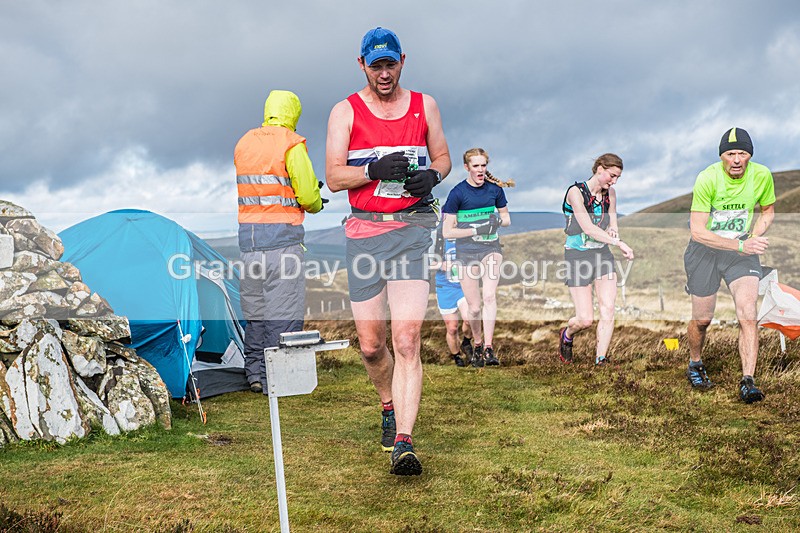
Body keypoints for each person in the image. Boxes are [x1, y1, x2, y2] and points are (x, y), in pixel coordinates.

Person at [325, 27, 451, 475]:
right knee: (373, 345)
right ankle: (386, 404)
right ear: (362, 65)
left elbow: (443, 157)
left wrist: (433, 177)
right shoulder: (345, 111)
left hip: (412, 232)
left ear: (402, 62)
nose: (384, 72)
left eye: (390, 64)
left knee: (407, 339)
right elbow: (334, 177)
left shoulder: (424, 105)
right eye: (375, 65)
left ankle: (404, 439)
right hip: (364, 235)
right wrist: (372, 169)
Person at [234, 90, 325, 394]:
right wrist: (315, 203)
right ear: (293, 114)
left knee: (256, 314)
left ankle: (255, 373)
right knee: (283, 314)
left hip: (248, 247)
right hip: (282, 245)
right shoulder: (291, 143)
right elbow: (309, 197)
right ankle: (279, 379)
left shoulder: (244, 142)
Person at [684, 127, 775, 403]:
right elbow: (697, 230)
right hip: (704, 252)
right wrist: (739, 245)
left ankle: (748, 381)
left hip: (741, 253)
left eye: (742, 153)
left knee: (748, 312)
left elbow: (767, 211)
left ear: (750, 156)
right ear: (722, 156)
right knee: (702, 320)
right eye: (730, 153)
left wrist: (753, 236)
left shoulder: (762, 176)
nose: (736, 159)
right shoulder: (707, 178)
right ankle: (695, 363)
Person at [558, 153, 634, 366]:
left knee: (608, 308)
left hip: (602, 255)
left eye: (618, 177)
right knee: (585, 319)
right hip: (577, 257)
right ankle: (567, 334)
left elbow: (613, 223)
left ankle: (601, 359)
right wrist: (619, 244)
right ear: (599, 168)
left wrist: (614, 233)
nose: (614, 181)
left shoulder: (611, 194)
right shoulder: (575, 192)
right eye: (611, 175)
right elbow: (588, 228)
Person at [442, 148, 512, 367]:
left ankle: (489, 348)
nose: (481, 170)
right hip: (466, 252)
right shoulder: (457, 194)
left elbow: (506, 219)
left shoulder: (495, 191)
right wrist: (477, 229)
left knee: (490, 296)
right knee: (474, 308)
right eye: (476, 166)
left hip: (490, 248)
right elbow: (447, 232)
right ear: (467, 167)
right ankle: (477, 343)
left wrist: (497, 223)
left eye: (483, 166)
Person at [432, 226, 474, 367]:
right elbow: (425, 263)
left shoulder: (466, 233)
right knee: (452, 328)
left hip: (463, 285)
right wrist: (441, 265)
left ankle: (466, 342)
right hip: (446, 288)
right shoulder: (438, 237)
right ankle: (457, 358)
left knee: (470, 318)